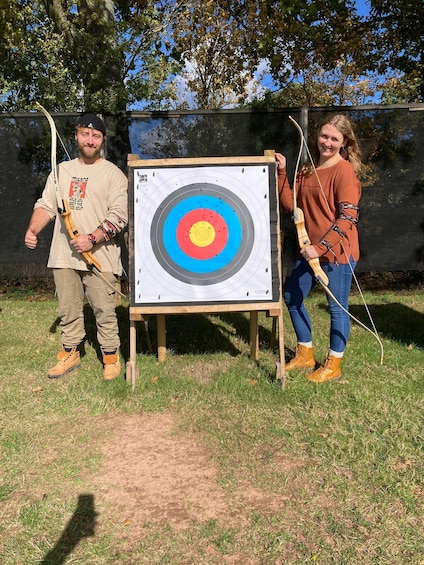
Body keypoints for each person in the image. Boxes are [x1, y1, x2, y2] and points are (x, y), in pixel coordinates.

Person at [24, 113, 128, 380]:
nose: (90, 140)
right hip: (63, 255)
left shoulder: (113, 174)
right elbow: (45, 205)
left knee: (104, 310)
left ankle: (111, 357)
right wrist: (33, 228)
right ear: (76, 136)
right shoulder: (61, 171)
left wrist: (91, 238)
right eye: (85, 134)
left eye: (96, 136)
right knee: (68, 309)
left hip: (100, 256)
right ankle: (70, 354)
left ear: (102, 140)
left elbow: (120, 216)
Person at [276, 113, 362, 383]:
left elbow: (348, 217)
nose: (327, 142)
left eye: (334, 138)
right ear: (317, 136)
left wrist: (321, 247)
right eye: (324, 136)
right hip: (309, 249)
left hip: (337, 253)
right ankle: (305, 353)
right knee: (292, 297)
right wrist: (282, 172)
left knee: (337, 307)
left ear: (344, 141)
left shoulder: (344, 170)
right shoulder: (306, 169)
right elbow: (292, 207)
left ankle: (334, 364)